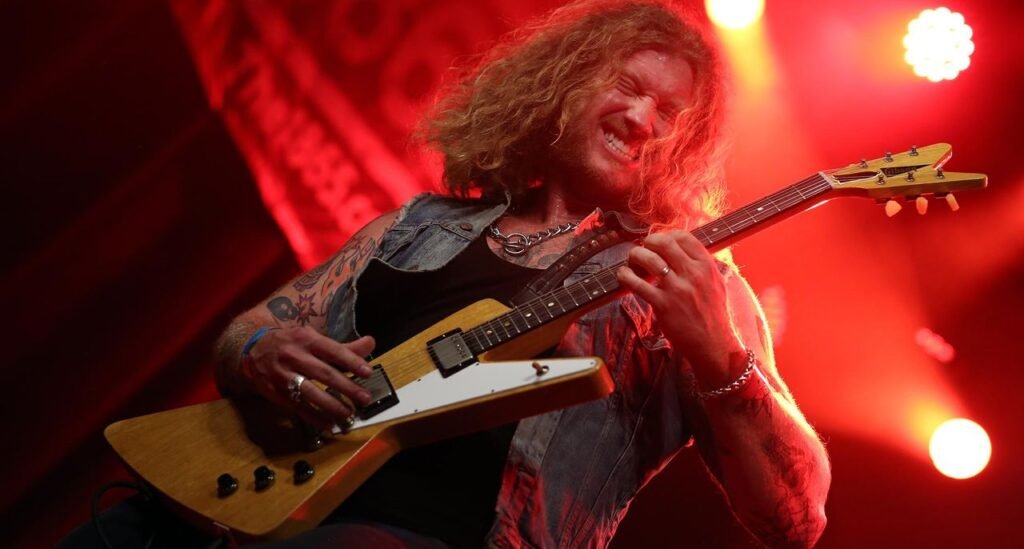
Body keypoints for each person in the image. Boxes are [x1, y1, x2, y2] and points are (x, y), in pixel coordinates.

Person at [62, 1, 829, 548]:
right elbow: (249, 331)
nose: (642, 119)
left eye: (670, 114)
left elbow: (796, 519)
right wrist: (263, 350)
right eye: (628, 87)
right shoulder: (420, 223)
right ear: (563, 82)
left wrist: (722, 357)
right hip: (245, 502)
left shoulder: (688, 277)